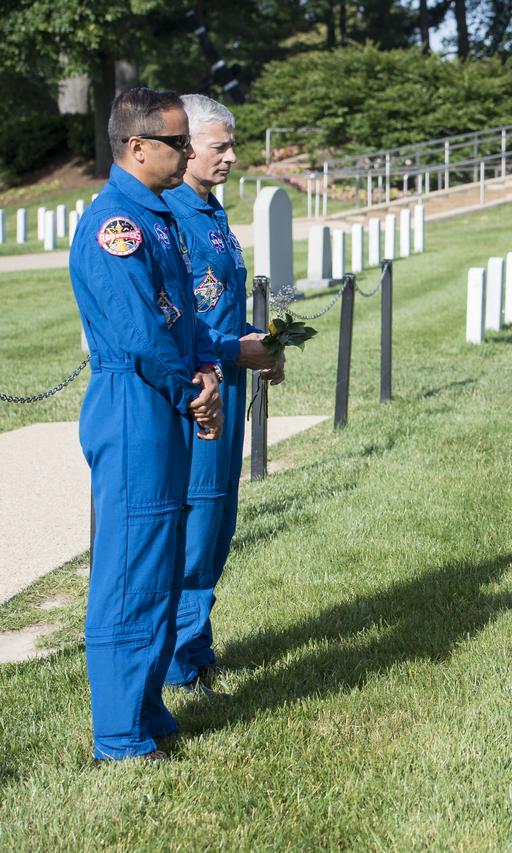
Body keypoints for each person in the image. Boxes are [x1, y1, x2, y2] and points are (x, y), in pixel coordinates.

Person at [69, 87, 270, 762]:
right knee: (131, 569)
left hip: (166, 394)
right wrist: (195, 385)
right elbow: (141, 331)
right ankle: (119, 735)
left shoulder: (155, 216)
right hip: (135, 404)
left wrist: (207, 370)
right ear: (135, 147)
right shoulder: (116, 224)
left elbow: (181, 319)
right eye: (177, 143)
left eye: (190, 142)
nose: (188, 153)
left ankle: (148, 705)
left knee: (161, 562)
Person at [162, 94, 284, 697]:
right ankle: (183, 663)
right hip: (198, 391)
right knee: (199, 516)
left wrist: (262, 347)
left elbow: (223, 305)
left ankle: (197, 646)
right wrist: (239, 352)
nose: (233, 158)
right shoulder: (172, 217)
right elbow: (177, 318)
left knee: (218, 520)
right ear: (184, 149)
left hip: (229, 381)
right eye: (220, 147)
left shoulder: (210, 212)